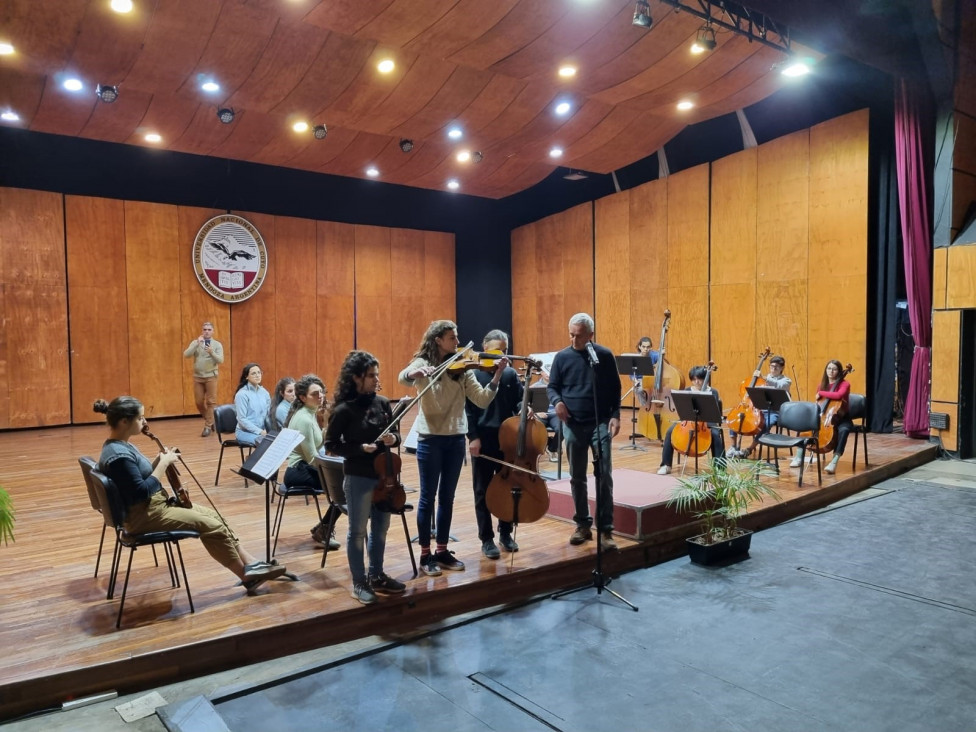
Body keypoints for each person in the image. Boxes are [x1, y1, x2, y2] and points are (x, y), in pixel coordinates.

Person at [93, 397, 286, 594]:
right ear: (124, 421)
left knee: (213, 516)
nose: (144, 422)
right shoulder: (119, 457)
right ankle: (247, 577)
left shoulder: (120, 446)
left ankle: (250, 562)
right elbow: (141, 491)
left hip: (151, 508)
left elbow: (135, 480)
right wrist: (163, 464)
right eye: (140, 418)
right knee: (211, 526)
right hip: (144, 516)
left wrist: (160, 459)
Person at [399, 319, 508, 576]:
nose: (458, 343)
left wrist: (497, 375)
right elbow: (402, 377)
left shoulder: (463, 367)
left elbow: (481, 400)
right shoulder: (422, 364)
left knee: (447, 498)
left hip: (455, 439)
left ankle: (442, 550)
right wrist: (414, 375)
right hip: (430, 439)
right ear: (438, 340)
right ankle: (425, 556)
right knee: (428, 497)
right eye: (452, 338)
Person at [324, 351, 405, 605]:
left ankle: (377, 574)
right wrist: (360, 449)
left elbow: (396, 436)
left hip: (385, 476)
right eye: (371, 375)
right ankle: (359, 582)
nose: (376, 379)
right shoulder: (343, 410)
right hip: (359, 476)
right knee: (357, 531)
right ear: (356, 378)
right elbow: (331, 445)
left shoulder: (382, 403)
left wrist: (394, 439)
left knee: (380, 529)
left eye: (377, 374)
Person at [546, 313, 621, 550]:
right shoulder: (562, 357)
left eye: (578, 335)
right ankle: (582, 524)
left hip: (600, 422)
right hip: (574, 423)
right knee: (577, 477)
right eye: (570, 334)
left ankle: (606, 529)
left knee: (604, 475)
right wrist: (557, 401)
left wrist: (616, 416)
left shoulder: (604, 356)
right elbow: (552, 387)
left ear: (590, 335)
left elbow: (615, 388)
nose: (573, 339)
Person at [465, 330, 522, 559]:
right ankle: (486, 538)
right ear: (485, 349)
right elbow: (468, 410)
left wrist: (523, 408)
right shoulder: (473, 375)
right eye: (498, 351)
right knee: (482, 490)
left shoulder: (509, 374)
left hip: (506, 439)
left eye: (506, 351)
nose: (503, 356)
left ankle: (505, 533)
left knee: (508, 488)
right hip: (484, 438)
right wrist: (473, 437)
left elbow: (517, 400)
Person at [284, 374, 341, 550]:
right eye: (314, 394)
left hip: (304, 467)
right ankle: (324, 529)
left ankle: (322, 527)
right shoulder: (304, 419)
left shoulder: (310, 413)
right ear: (302, 397)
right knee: (344, 487)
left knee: (345, 483)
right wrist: (336, 470)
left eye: (321, 392)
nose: (320, 396)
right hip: (298, 471)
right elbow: (311, 459)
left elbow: (318, 446)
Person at [657, 365, 726, 474]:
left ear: (705, 379)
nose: (697, 382)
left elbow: (714, 412)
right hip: (688, 420)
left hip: (707, 422)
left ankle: (719, 469)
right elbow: (683, 410)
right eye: (694, 379)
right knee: (670, 431)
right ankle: (666, 465)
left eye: (699, 379)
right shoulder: (687, 390)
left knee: (715, 435)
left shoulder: (713, 392)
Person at [792, 360, 852, 475]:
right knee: (804, 426)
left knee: (844, 430)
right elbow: (818, 404)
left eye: (834, 369)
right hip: (824, 416)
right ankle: (798, 457)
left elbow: (839, 395)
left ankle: (834, 461)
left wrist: (822, 393)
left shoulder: (844, 384)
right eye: (829, 368)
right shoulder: (822, 385)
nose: (831, 371)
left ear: (839, 371)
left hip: (842, 418)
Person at [727, 354, 792, 458]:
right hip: (758, 409)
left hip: (774, 411)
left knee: (767, 424)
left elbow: (779, 385)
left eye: (777, 367)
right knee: (736, 418)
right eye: (771, 366)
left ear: (782, 368)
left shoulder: (786, 381)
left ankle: (749, 449)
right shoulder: (761, 380)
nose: (773, 369)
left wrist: (765, 378)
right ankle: (733, 447)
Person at [183, 322, 224, 437]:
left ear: (213, 331)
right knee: (199, 402)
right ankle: (211, 420)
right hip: (198, 377)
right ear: (202, 331)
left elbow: (220, 360)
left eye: (209, 329)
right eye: (205, 329)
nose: (207, 331)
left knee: (211, 402)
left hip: (211, 376)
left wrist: (211, 352)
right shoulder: (195, 343)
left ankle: (207, 427)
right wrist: (196, 344)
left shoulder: (217, 345)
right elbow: (186, 354)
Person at [234, 363, 271, 446]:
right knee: (265, 443)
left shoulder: (264, 392)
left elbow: (269, 414)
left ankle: (252, 458)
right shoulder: (242, 394)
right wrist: (260, 432)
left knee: (277, 440)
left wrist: (268, 429)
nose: (257, 375)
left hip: (263, 431)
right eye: (253, 373)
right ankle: (253, 459)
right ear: (246, 377)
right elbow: (242, 419)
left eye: (259, 373)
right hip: (244, 432)